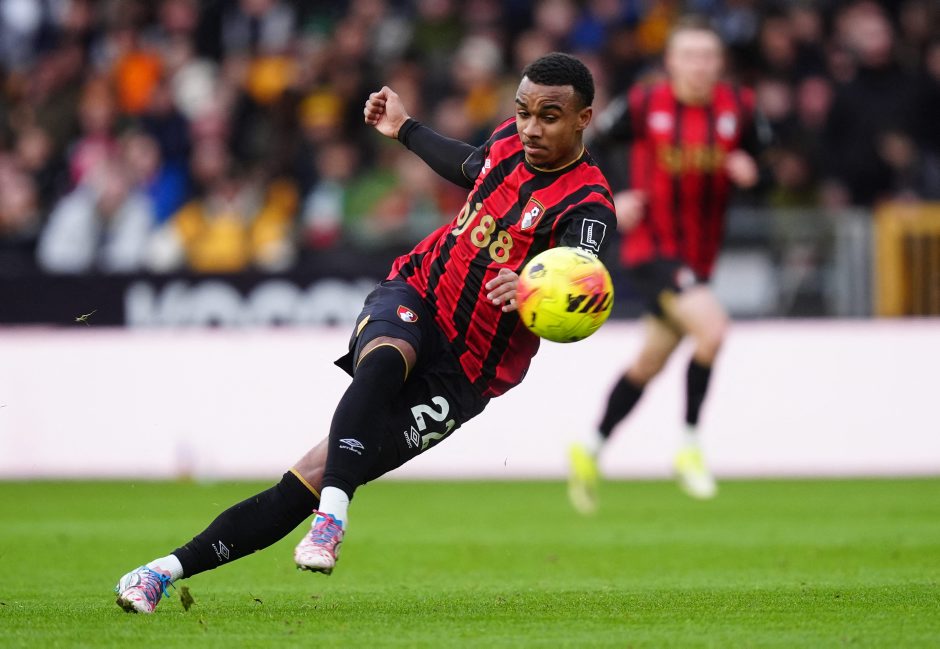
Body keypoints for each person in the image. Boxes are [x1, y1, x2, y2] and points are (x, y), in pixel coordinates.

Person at [114, 52, 616, 614]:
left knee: (308, 476)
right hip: (420, 290)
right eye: (522, 111)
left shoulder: (588, 204)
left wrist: (528, 287)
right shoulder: (508, 142)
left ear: (583, 118)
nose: (530, 128)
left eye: (549, 116)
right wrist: (406, 128)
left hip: (467, 373)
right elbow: (471, 166)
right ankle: (332, 518)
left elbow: (580, 283)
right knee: (384, 358)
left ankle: (159, 572)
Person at [568, 16, 766, 512]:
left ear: (720, 63)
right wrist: (613, 195)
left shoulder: (739, 107)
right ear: (671, 62)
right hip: (651, 247)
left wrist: (754, 173)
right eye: (690, 56)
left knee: (649, 362)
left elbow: (768, 164)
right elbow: (587, 145)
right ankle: (689, 446)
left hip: (701, 254)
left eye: (708, 56)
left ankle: (589, 447)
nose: (700, 65)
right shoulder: (643, 103)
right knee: (713, 330)